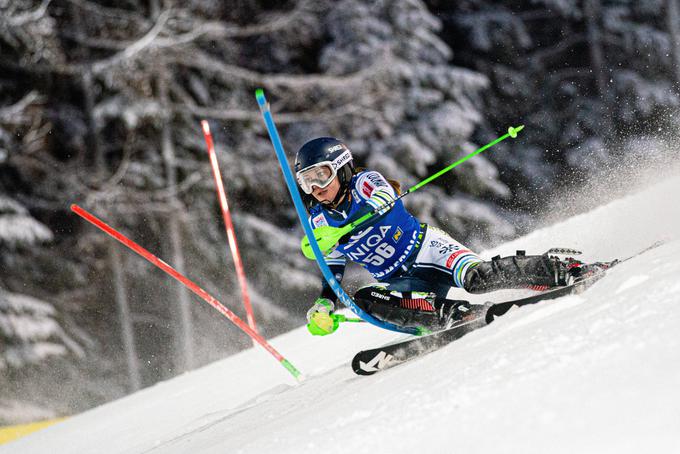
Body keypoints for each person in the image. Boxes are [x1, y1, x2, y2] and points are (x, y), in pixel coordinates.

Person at [296, 137, 600, 336]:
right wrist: (324, 304)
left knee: (477, 278)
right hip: (402, 281)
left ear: (342, 169)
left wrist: (348, 226)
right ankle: (454, 315)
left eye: (321, 176)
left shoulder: (364, 182)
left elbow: (383, 195)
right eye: (306, 182)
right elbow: (332, 270)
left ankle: (563, 270)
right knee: (361, 299)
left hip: (428, 250)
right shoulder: (319, 220)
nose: (315, 187)